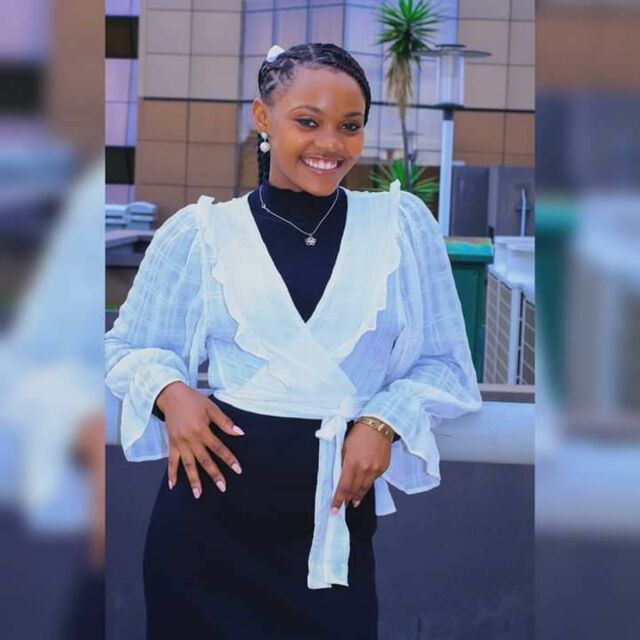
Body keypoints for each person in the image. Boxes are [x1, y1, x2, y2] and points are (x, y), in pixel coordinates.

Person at [105, 42, 481, 639]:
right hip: (205, 529)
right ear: (263, 117)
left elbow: (447, 365)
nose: (331, 144)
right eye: (308, 121)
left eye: (350, 126)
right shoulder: (201, 233)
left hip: (331, 533)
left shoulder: (400, 226)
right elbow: (124, 347)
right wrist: (169, 392)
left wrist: (384, 419)